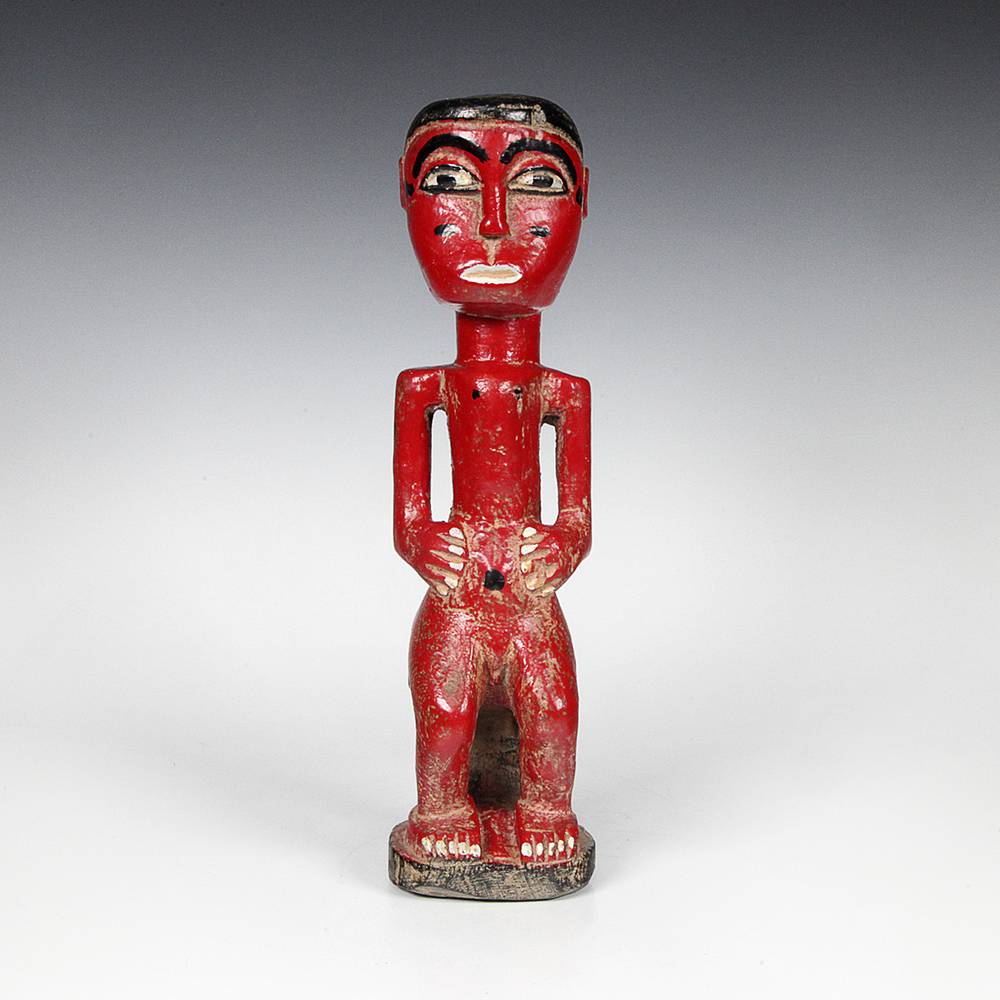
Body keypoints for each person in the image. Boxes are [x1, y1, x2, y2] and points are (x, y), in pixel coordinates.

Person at [394, 95, 591, 865]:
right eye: (452, 181)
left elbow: (576, 514)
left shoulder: (563, 391)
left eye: (537, 182)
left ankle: (545, 809)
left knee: (555, 708)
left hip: (529, 595)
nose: (495, 223)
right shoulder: (425, 387)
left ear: (583, 201)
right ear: (406, 196)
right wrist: (421, 540)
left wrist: (565, 544)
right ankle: (441, 809)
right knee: (446, 714)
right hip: (460, 595)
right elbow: (410, 511)